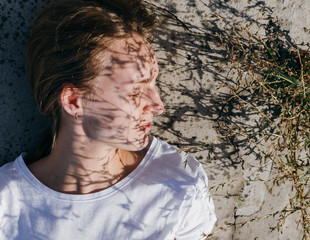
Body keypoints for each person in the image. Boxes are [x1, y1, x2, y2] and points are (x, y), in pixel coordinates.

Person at [0, 0, 216, 239]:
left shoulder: (179, 185)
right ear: (73, 101)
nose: (158, 105)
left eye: (154, 82)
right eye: (135, 92)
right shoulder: (6, 205)